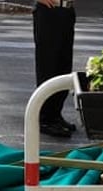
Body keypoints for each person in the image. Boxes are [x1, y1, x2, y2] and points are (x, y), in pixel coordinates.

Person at [33, 0, 77, 138]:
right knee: (48, 65)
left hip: (66, 10)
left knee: (63, 65)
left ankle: (55, 114)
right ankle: (45, 119)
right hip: (48, 11)